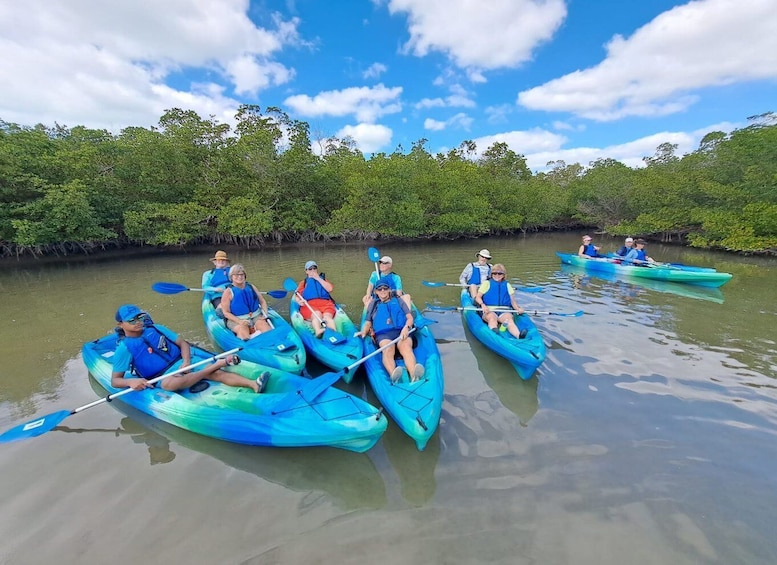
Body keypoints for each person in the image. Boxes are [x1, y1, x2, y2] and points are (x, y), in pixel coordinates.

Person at [111, 304, 264, 393]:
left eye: (139, 317)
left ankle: (253, 384)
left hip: (181, 363)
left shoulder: (156, 328)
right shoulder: (124, 348)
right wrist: (130, 382)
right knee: (170, 384)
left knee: (217, 374)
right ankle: (216, 364)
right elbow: (115, 381)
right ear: (121, 324)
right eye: (131, 320)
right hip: (162, 376)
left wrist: (185, 361)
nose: (138, 322)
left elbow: (183, 344)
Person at [356, 277, 424, 383]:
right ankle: (394, 376)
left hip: (401, 331)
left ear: (389, 289)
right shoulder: (373, 304)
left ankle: (414, 376)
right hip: (383, 334)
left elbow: (409, 318)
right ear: (376, 291)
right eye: (379, 289)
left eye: (385, 288)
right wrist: (364, 331)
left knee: (405, 347)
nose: (382, 291)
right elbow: (368, 322)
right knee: (388, 348)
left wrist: (406, 328)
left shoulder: (398, 300)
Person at [474, 263, 527, 339]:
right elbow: (478, 297)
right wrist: (482, 304)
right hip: (489, 309)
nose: (497, 275)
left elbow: (513, 301)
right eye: (494, 273)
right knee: (492, 319)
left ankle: (518, 336)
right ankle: (494, 334)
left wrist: (518, 309)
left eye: (500, 273)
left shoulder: (507, 285)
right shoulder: (487, 283)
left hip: (504, 310)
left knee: (509, 320)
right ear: (491, 274)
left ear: (503, 275)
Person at [220, 264, 272, 340]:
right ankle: (247, 347)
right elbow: (226, 313)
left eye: (242, 274)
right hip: (236, 319)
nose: (240, 277)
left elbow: (262, 301)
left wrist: (265, 313)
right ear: (231, 276)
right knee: (243, 332)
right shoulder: (228, 292)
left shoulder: (251, 287)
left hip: (255, 315)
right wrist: (239, 321)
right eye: (236, 275)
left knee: (265, 328)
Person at [296, 260, 337, 338]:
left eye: (314, 268)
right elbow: (297, 296)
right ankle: (318, 331)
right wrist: (299, 302)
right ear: (306, 271)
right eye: (310, 269)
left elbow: (330, 289)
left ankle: (333, 333)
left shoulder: (323, 279)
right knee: (317, 314)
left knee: (327, 317)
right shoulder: (303, 283)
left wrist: (318, 278)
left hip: (326, 304)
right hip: (310, 305)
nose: (313, 271)